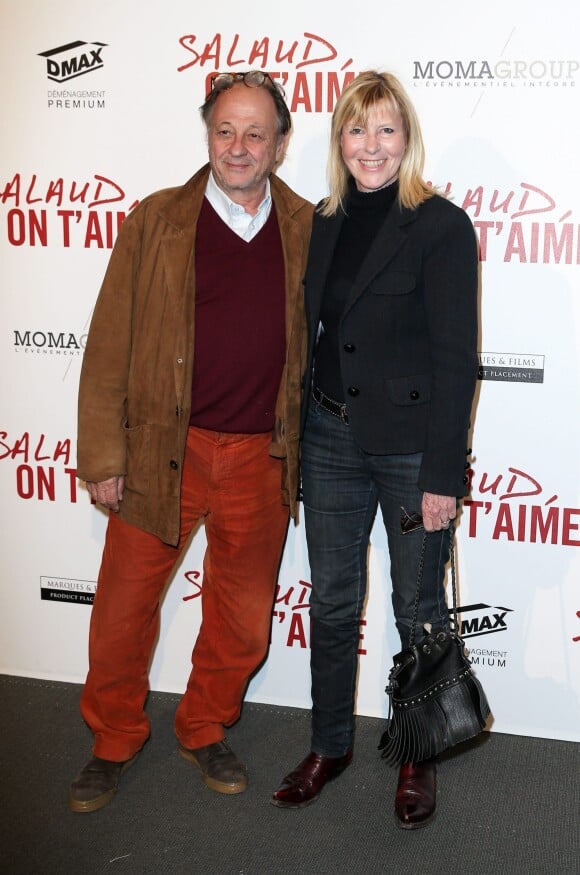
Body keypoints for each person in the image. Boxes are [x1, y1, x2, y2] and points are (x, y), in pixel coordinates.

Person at [69, 70, 313, 813]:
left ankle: (204, 724)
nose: (237, 148)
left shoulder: (307, 225)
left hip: (261, 456)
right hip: (162, 453)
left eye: (255, 134)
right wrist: (106, 457)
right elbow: (109, 342)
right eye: (225, 130)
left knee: (241, 621)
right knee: (122, 613)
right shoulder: (156, 219)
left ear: (279, 144)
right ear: (208, 133)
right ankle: (112, 739)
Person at [271, 71, 479, 828]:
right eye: (357, 130)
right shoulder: (321, 221)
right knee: (330, 601)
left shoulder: (441, 225)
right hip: (328, 434)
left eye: (386, 130)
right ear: (340, 141)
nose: (372, 146)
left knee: (417, 608)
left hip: (408, 449)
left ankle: (419, 754)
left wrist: (441, 474)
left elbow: (458, 358)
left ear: (407, 138)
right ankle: (331, 744)